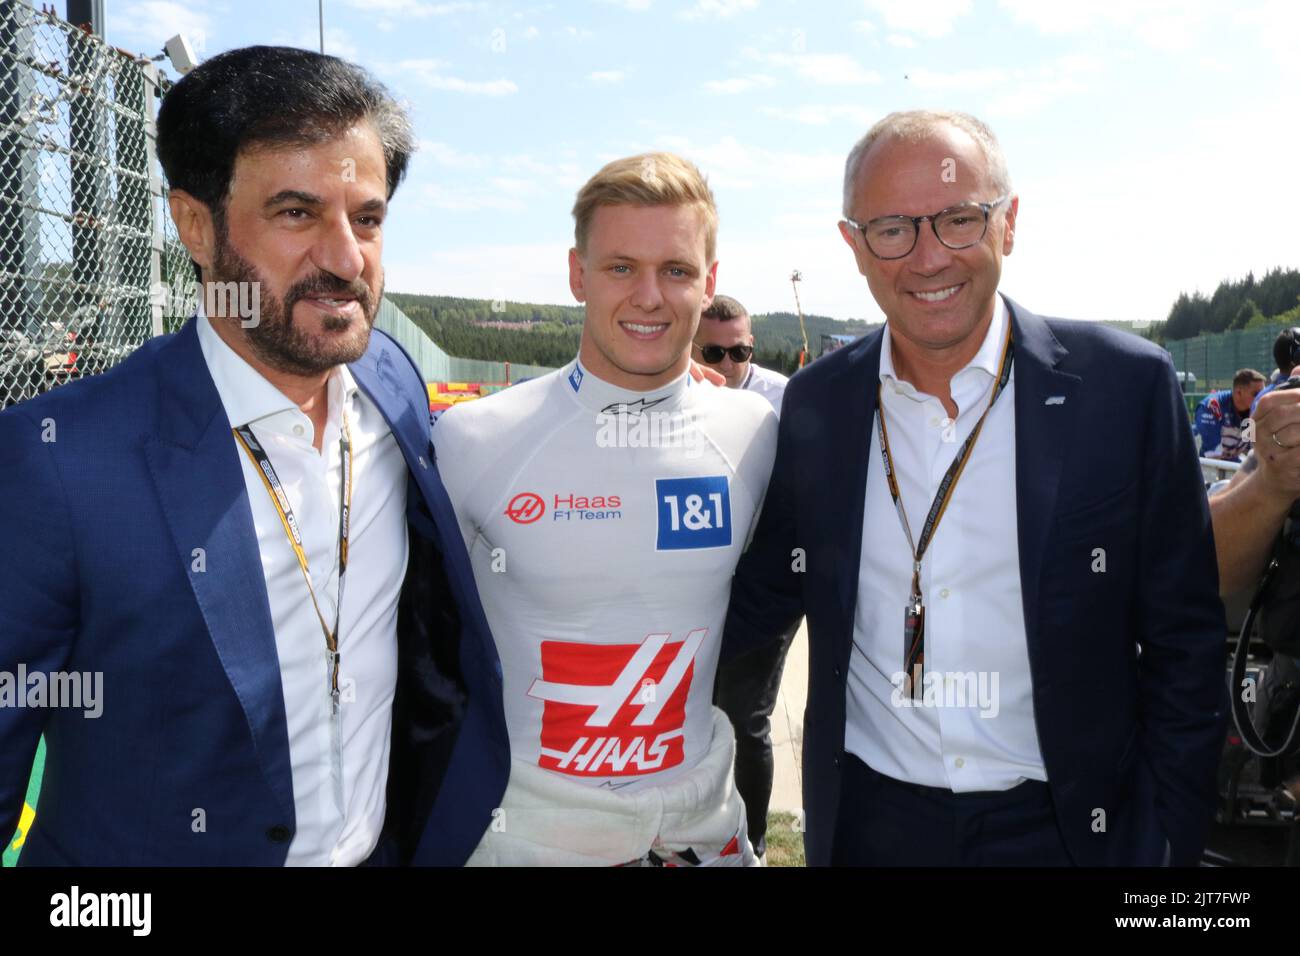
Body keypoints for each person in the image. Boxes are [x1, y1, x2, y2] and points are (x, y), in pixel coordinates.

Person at [0, 46, 505, 866]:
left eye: (367, 218)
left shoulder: (394, 384)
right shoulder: (58, 462)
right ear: (195, 225)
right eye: (297, 214)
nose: (346, 260)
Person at [723, 109, 1227, 867]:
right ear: (853, 246)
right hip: (873, 826)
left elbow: (1185, 640)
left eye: (959, 219)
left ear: (1009, 223)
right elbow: (753, 599)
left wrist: (1164, 842)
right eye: (892, 228)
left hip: (1070, 829)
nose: (929, 259)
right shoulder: (818, 404)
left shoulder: (1123, 390)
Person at [432, 152, 778, 866]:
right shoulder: (473, 440)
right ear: (576, 274)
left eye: (676, 270)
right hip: (529, 838)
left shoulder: (754, 433)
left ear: (709, 282)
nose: (649, 295)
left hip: (699, 831)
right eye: (621, 267)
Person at [698, 293, 795, 860]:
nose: (730, 365)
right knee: (694, 712)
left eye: (741, 351)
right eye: (715, 352)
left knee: (745, 716)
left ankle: (752, 844)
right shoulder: (675, 390)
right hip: (695, 583)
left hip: (766, 584)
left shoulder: (783, 399)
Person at [693, 294, 789, 412]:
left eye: (738, 352)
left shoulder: (783, 396)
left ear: (751, 344)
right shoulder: (674, 392)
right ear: (690, 347)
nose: (726, 365)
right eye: (714, 353)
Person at [1193, 368, 1265, 461]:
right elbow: (1213, 453)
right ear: (1239, 393)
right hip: (1206, 466)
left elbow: (1249, 449)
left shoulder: (1253, 410)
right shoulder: (1213, 406)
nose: (1261, 398)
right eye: (1256, 394)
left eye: (1263, 393)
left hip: (1231, 462)